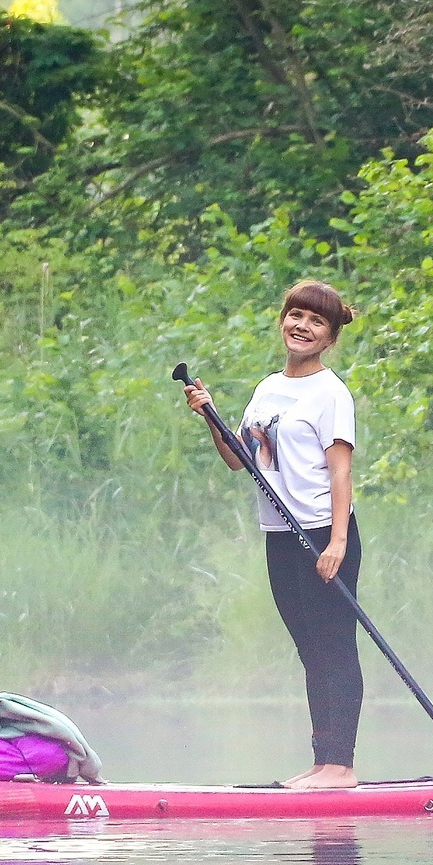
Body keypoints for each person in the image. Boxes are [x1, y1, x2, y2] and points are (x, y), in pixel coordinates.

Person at [184, 280, 363, 789]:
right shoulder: (267, 389)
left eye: (316, 322)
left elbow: (340, 473)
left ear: (329, 337)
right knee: (310, 649)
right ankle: (321, 761)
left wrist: (338, 543)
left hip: (323, 533)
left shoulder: (331, 392)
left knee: (334, 647)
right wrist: (210, 416)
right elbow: (238, 460)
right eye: (296, 315)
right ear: (283, 320)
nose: (302, 326)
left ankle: (341, 767)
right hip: (280, 535)